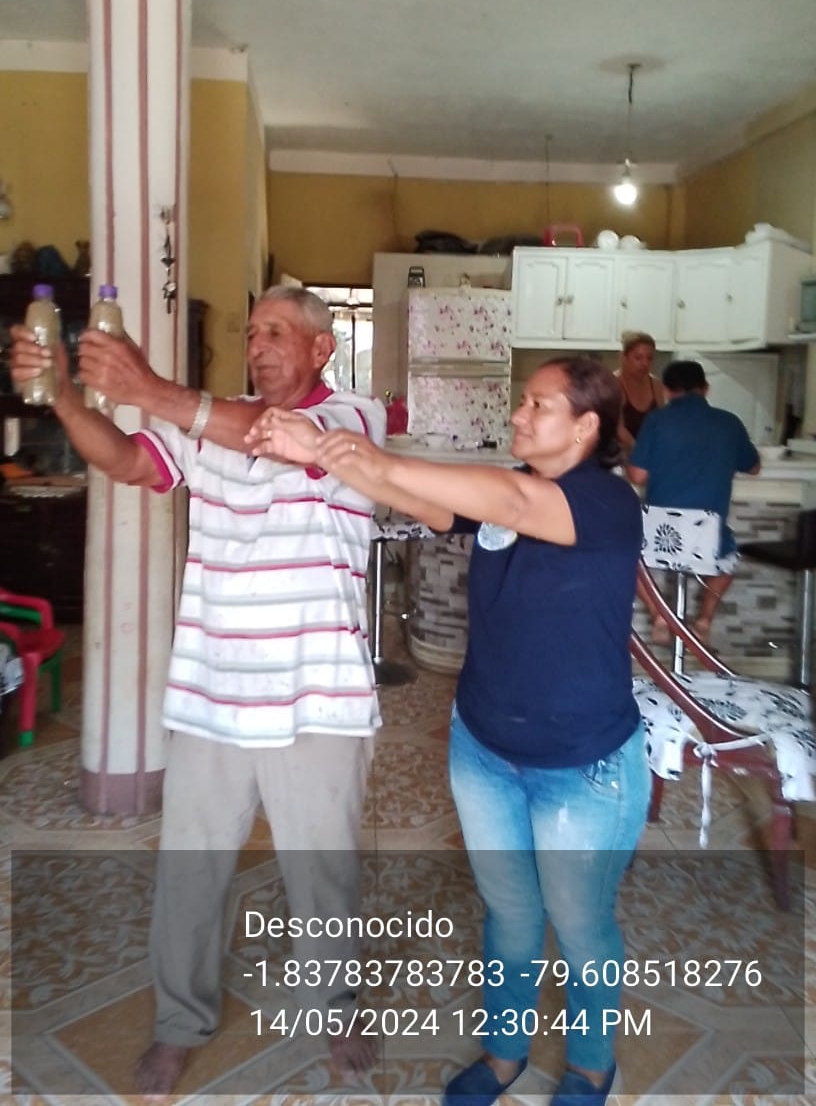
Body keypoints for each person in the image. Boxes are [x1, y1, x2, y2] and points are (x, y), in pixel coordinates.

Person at [10, 285, 387, 1095]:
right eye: (252, 333)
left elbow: (271, 437)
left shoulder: (353, 421)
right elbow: (125, 460)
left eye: (276, 331)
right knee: (191, 868)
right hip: (213, 692)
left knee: (322, 871)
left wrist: (148, 388)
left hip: (320, 697)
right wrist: (66, 397)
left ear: (322, 348)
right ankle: (180, 1021)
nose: (258, 345)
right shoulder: (210, 423)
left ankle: (335, 1009)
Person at [246, 355, 651, 1106]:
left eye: (538, 405)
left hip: (582, 764)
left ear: (586, 426)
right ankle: (504, 1054)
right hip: (485, 748)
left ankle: (592, 1067)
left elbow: (513, 502)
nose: (519, 414)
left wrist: (354, 449)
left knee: (579, 923)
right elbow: (427, 504)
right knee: (510, 913)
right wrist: (329, 457)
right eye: (522, 401)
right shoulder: (512, 489)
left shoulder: (606, 502)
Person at [627, 358, 760, 645]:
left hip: (660, 535)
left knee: (626, 558)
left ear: (666, 390)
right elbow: (753, 467)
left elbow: (637, 475)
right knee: (728, 561)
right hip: (706, 536)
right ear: (705, 388)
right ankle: (703, 619)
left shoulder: (657, 420)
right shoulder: (729, 422)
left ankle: (659, 615)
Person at [614, 331, 665, 455]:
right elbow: (617, 428)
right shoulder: (613, 384)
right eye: (638, 357)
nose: (645, 363)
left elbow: (661, 423)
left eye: (649, 358)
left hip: (647, 455)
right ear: (623, 357)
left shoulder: (656, 385)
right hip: (618, 456)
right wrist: (640, 450)